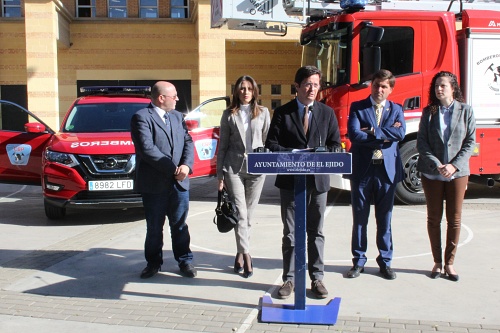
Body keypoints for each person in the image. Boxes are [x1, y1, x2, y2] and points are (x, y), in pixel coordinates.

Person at [265, 66, 341, 299]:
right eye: (307, 84)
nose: (312, 89)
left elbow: (335, 145)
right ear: (296, 86)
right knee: (290, 232)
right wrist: (295, 153)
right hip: (290, 181)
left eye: (316, 84)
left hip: (318, 182)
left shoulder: (327, 113)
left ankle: (317, 278)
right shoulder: (282, 113)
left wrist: (319, 152)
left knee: (315, 231)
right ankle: (289, 279)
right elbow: (272, 144)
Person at [131, 81, 197, 279]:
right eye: (174, 96)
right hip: (155, 184)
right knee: (154, 227)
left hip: (179, 183)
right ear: (161, 98)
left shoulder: (177, 117)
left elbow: (187, 141)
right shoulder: (141, 117)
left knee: (180, 225)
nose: (177, 99)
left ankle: (185, 260)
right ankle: (153, 262)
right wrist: (173, 169)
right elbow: (147, 149)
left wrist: (186, 166)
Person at [346, 69, 406, 280]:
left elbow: (400, 134)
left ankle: (385, 262)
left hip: (386, 171)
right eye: (376, 85)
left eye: (384, 86)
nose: (379, 89)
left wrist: (372, 131)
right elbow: (355, 135)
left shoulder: (397, 109)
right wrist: (384, 136)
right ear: (371, 86)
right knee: (360, 218)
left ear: (390, 89)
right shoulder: (358, 107)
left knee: (385, 219)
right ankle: (359, 261)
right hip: (363, 170)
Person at [417, 71, 476, 282]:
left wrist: (454, 166)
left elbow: (470, 142)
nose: (439, 89)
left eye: (443, 85)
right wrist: (438, 164)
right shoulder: (429, 112)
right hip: (432, 173)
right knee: (434, 218)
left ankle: (450, 263)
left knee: (455, 219)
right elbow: (421, 142)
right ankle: (437, 262)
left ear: (453, 88)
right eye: (436, 86)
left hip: (457, 173)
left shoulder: (466, 111)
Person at [217, 75, 271, 278]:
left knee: (248, 215)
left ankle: (239, 252)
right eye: (242, 88)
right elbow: (222, 146)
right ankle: (247, 255)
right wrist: (219, 174)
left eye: (249, 88)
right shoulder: (229, 114)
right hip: (234, 168)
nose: (246, 92)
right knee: (241, 213)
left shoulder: (264, 112)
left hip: (257, 169)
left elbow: (267, 141)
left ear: (254, 91)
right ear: (236, 92)